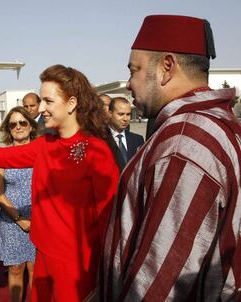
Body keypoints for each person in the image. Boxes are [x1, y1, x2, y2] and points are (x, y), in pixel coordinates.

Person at [102, 15, 241, 301]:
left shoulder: (185, 141)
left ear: (166, 68)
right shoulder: (216, 124)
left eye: (134, 70)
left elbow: (158, 279)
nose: (129, 84)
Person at [0, 64, 119, 301]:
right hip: (44, 255)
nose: (41, 108)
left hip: (78, 264)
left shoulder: (97, 151)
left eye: (48, 101)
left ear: (72, 104)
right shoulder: (45, 145)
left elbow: (110, 216)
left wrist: (107, 272)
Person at [0, 106, 37, 301]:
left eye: (22, 122)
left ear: (31, 126)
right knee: (16, 268)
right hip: (12, 221)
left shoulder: (42, 153)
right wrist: (19, 219)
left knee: (36, 268)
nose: (18, 127)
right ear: (8, 129)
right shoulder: (1, 156)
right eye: (13, 124)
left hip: (40, 220)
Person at [108, 97, 144, 170]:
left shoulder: (138, 139)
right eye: (121, 114)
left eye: (128, 114)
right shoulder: (99, 138)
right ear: (110, 113)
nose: (125, 119)